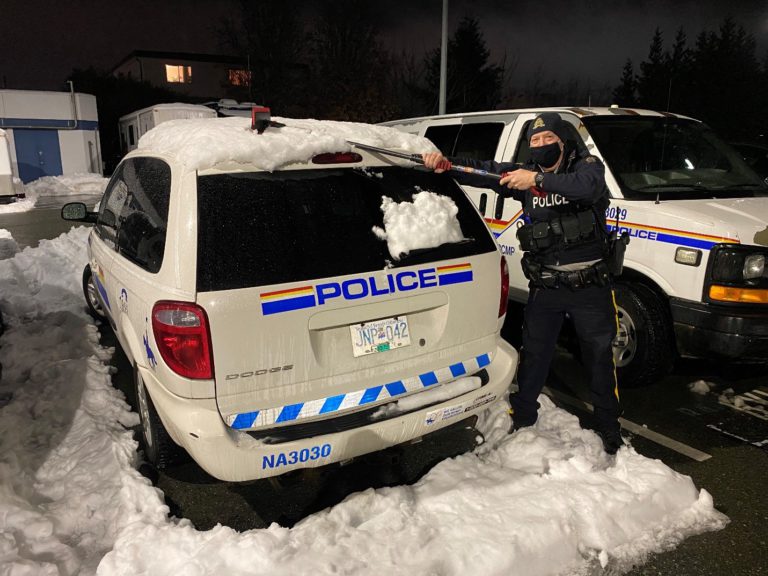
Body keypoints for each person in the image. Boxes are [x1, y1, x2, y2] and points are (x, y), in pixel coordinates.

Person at [423, 112, 624, 454]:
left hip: (591, 288)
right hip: (546, 287)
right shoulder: (522, 175)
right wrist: (446, 164)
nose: (542, 145)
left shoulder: (584, 167)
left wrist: (537, 179)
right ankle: (524, 419)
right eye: (536, 141)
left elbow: (588, 188)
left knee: (599, 359)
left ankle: (608, 427)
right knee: (534, 356)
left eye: (549, 140)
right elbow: (483, 169)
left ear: (563, 142)